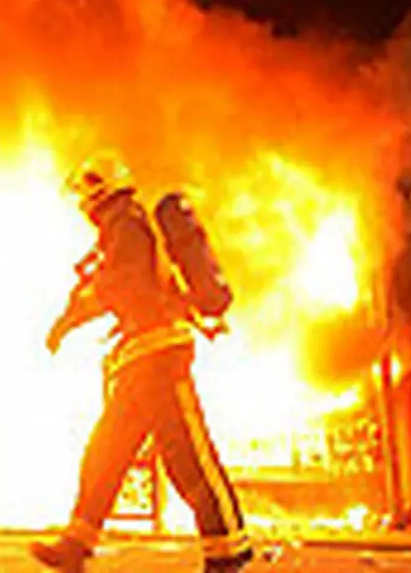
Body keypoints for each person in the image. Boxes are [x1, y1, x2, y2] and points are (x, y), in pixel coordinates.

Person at [29, 151, 252, 572]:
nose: (83, 205)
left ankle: (229, 550)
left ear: (101, 188)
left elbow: (126, 283)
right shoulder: (119, 228)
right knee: (105, 452)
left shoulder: (126, 222)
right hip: (138, 359)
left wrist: (77, 311)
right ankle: (76, 545)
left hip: (160, 355)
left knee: (189, 458)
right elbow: (123, 284)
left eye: (85, 193)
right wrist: (68, 320)